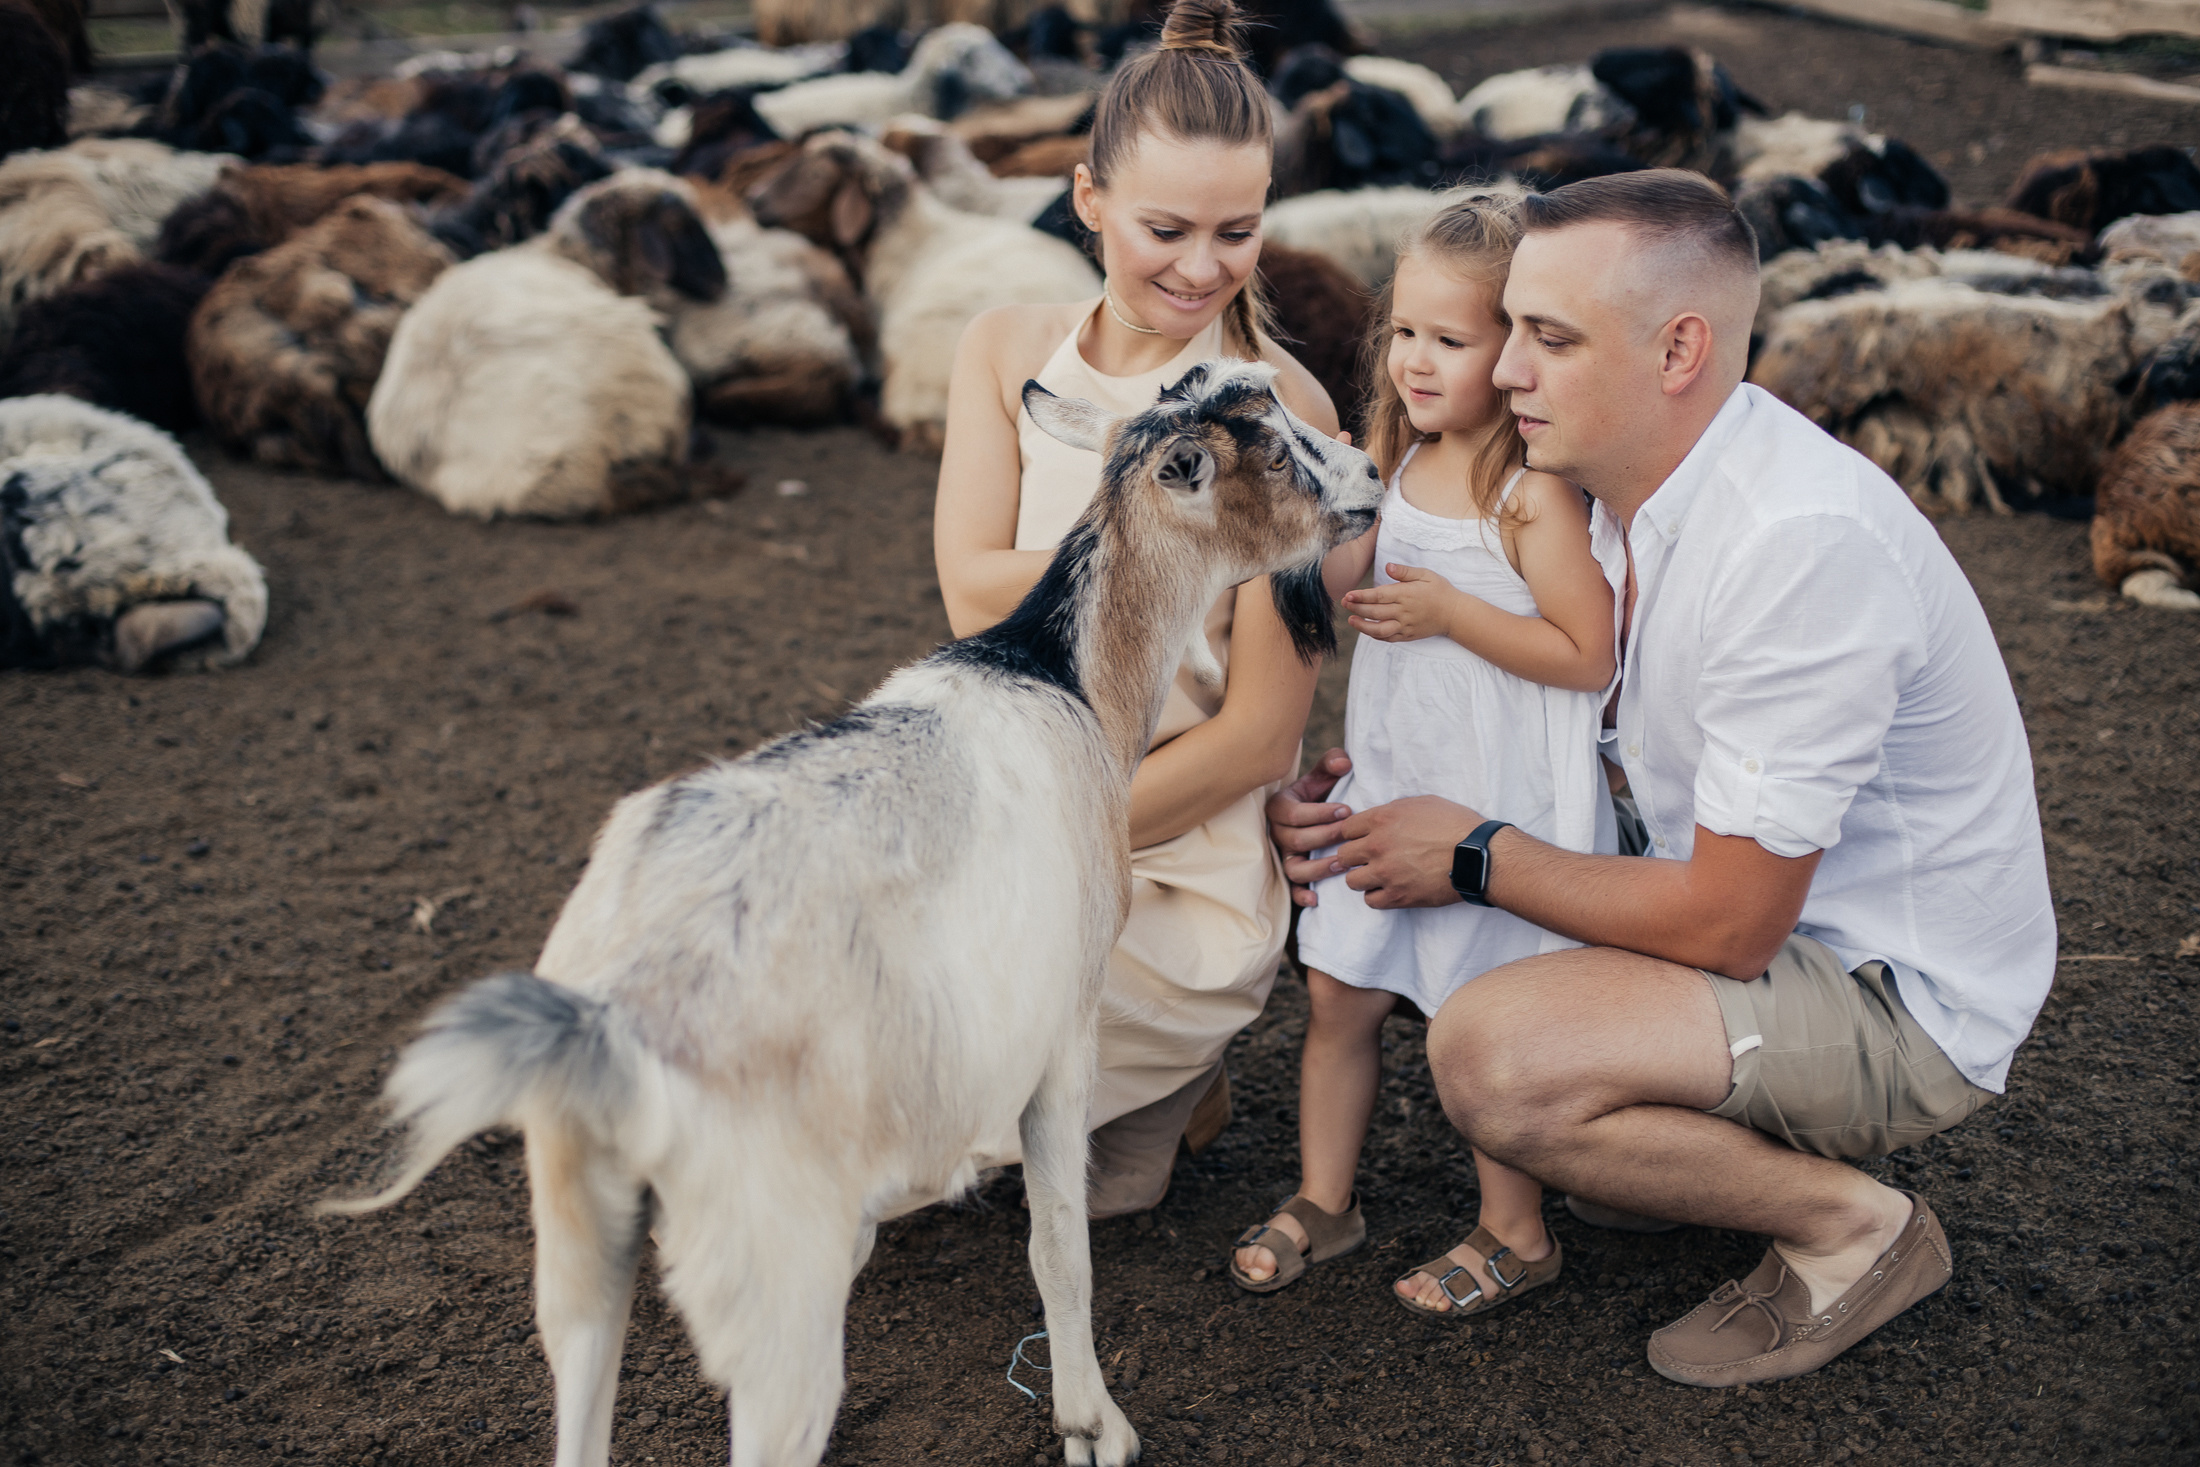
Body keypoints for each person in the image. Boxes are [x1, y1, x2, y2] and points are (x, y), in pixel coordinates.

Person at [1265, 170, 2055, 1386]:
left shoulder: (1792, 547)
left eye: (1550, 337)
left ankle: (1854, 1231)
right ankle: (1668, 1130)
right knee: (1585, 1129)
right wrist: (1392, 776)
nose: (1507, 370)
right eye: (1509, 327)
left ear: (1678, 348)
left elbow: (1734, 926)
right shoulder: (1621, 496)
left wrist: (1468, 851)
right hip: (1762, 924)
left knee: (1492, 1058)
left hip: (1888, 993)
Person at [931, 0, 1343, 1216]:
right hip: (1013, 789)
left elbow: (1261, 738)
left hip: (1173, 832)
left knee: (929, 1142)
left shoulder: (1292, 422)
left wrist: (1054, 856)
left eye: (1238, 231)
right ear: (1087, 197)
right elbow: (967, 587)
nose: (1202, 267)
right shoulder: (1003, 350)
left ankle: (1170, 1067)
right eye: (1165, 227)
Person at [1225, 196, 1620, 1321]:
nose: (1414, 361)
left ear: (1518, 351)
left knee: (1479, 1017)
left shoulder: (1530, 496)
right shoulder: (1397, 465)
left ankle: (1516, 1230)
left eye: (1450, 341)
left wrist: (1452, 611)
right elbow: (1351, 596)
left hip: (1503, 812)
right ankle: (1324, 1199)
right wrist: (1324, 520)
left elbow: (1586, 654)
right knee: (1336, 988)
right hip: (1394, 783)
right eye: (1404, 334)